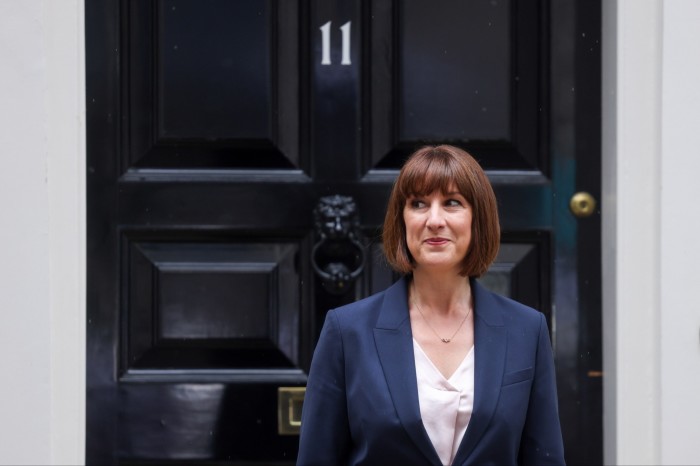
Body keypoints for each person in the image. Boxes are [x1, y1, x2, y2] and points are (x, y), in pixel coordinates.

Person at [297, 145, 565, 465]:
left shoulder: (526, 330)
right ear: (402, 220)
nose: (434, 219)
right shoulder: (347, 331)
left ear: (477, 219)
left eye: (452, 203)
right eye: (419, 204)